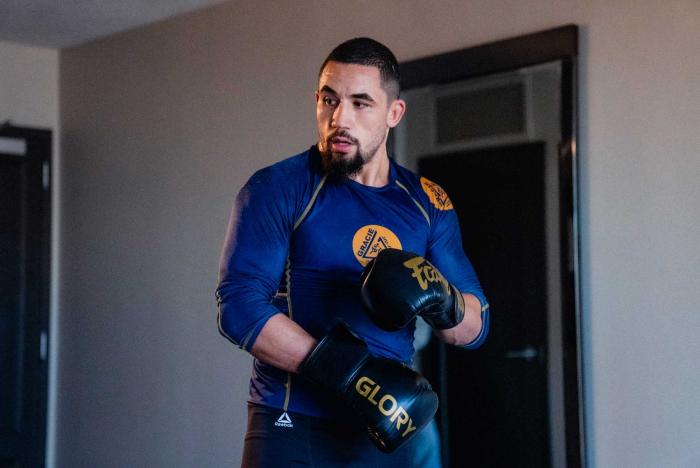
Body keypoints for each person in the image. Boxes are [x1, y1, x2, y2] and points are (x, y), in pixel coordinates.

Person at [216, 37, 490, 467]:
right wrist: (356, 377)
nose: (339, 118)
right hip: (292, 423)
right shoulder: (279, 188)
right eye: (329, 100)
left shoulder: (426, 203)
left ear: (393, 113)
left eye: (361, 103)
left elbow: (472, 329)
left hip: (389, 429)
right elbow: (239, 308)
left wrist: (442, 298)